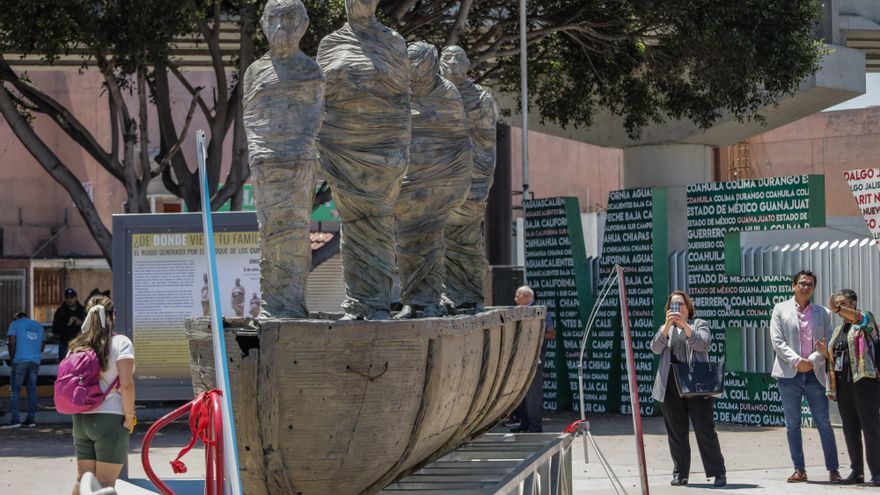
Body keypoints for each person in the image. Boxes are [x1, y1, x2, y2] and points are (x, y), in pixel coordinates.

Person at [769, 270, 840, 483]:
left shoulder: (823, 313)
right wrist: (797, 361)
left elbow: (829, 341)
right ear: (793, 286)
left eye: (810, 284)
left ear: (814, 288)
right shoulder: (780, 309)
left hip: (814, 374)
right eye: (801, 283)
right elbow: (777, 341)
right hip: (789, 375)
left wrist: (811, 360)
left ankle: (833, 470)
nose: (805, 287)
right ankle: (799, 469)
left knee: (824, 423)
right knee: (793, 424)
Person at [650, 290, 726, 487]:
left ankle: (718, 472)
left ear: (688, 307)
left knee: (705, 430)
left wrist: (684, 325)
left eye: (681, 304)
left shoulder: (699, 324)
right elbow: (655, 348)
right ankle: (680, 473)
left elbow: (702, 344)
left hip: (696, 385)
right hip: (670, 386)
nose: (678, 308)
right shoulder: (664, 328)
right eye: (673, 305)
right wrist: (668, 326)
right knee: (676, 433)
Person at [69, 295, 136, 494]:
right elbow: (126, 385)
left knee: (83, 481)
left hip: (81, 419)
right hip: (110, 420)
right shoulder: (121, 343)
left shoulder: (76, 346)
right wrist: (129, 418)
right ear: (112, 316)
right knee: (106, 484)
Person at [825, 289, 880, 485]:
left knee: (870, 427)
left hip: (864, 382)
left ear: (853, 304)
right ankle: (857, 472)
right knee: (850, 429)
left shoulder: (866, 319)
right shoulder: (839, 330)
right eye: (837, 303)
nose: (838, 307)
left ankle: (877, 472)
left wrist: (837, 309)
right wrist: (824, 351)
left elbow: (860, 319)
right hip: (843, 384)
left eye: (843, 303)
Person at [510, 286, 555, 433]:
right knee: (521, 391)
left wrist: (533, 336)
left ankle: (535, 426)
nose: (515, 299)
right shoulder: (517, 312)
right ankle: (525, 423)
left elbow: (551, 334)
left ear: (527, 297)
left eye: (518, 296)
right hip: (521, 358)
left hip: (535, 358)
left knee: (533, 392)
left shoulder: (541, 312)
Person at [2, 312, 44, 428]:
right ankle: (31, 420)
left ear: (17, 317)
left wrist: (12, 359)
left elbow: (11, 343)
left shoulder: (15, 324)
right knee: (32, 389)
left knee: (15, 390)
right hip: (35, 361)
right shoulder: (38, 326)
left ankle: (15, 420)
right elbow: (42, 346)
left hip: (19, 360)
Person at [52, 288, 86, 363]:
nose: (70, 300)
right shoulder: (60, 312)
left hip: (80, 345)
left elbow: (89, 327)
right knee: (65, 366)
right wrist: (67, 324)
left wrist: (81, 323)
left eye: (72, 298)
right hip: (65, 345)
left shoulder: (82, 310)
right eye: (67, 298)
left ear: (76, 297)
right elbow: (55, 330)